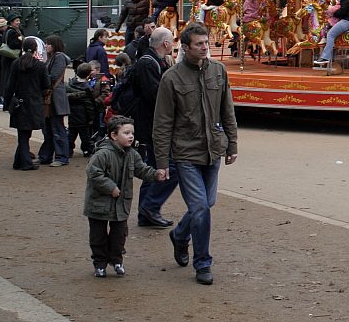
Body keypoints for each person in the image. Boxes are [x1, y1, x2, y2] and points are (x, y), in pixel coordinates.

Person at [154, 23, 239, 285]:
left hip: (213, 149)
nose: (205, 48)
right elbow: (162, 122)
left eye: (206, 43)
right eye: (199, 44)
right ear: (186, 47)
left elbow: (228, 110)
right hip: (186, 152)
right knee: (200, 206)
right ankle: (202, 263)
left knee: (206, 204)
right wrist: (161, 162)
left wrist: (232, 144)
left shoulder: (218, 71)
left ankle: (180, 235)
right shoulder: (172, 78)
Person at [84, 116, 163, 278]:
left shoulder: (132, 154)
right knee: (98, 236)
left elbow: (141, 169)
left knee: (119, 235)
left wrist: (155, 175)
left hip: (121, 204)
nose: (131, 136)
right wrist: (110, 187)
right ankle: (100, 263)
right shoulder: (103, 154)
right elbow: (93, 173)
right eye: (126, 133)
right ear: (114, 135)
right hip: (99, 204)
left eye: (132, 133)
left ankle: (117, 260)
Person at [134, 27, 179, 228]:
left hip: (151, 124)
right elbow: (155, 96)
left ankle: (147, 211)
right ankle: (150, 207)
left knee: (153, 167)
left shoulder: (151, 61)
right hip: (152, 125)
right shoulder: (147, 63)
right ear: (166, 44)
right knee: (168, 167)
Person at [4, 37, 49, 171]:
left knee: (23, 133)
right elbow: (46, 85)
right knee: (25, 134)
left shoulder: (16, 64)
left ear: (23, 48)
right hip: (34, 103)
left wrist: (7, 103)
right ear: (36, 49)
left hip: (20, 102)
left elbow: (10, 86)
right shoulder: (40, 66)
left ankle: (20, 160)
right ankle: (25, 162)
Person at [39, 35, 71, 167]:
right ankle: (46, 156)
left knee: (57, 128)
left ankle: (61, 157)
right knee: (49, 128)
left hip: (55, 98)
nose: (46, 46)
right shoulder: (54, 58)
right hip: (53, 97)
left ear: (54, 45)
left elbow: (53, 77)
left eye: (48, 44)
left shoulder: (59, 58)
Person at [67, 63, 98, 158]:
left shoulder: (70, 84)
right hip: (83, 116)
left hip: (72, 113)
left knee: (71, 134)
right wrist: (92, 117)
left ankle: (68, 150)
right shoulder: (87, 88)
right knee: (85, 136)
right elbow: (89, 105)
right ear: (88, 74)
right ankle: (86, 150)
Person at [0, 13, 23, 98]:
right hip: (11, 59)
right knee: (10, 79)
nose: (18, 22)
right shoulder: (12, 32)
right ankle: (8, 99)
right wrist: (20, 40)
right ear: (11, 22)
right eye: (16, 21)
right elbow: (13, 45)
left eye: (19, 20)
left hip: (8, 59)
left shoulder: (9, 31)